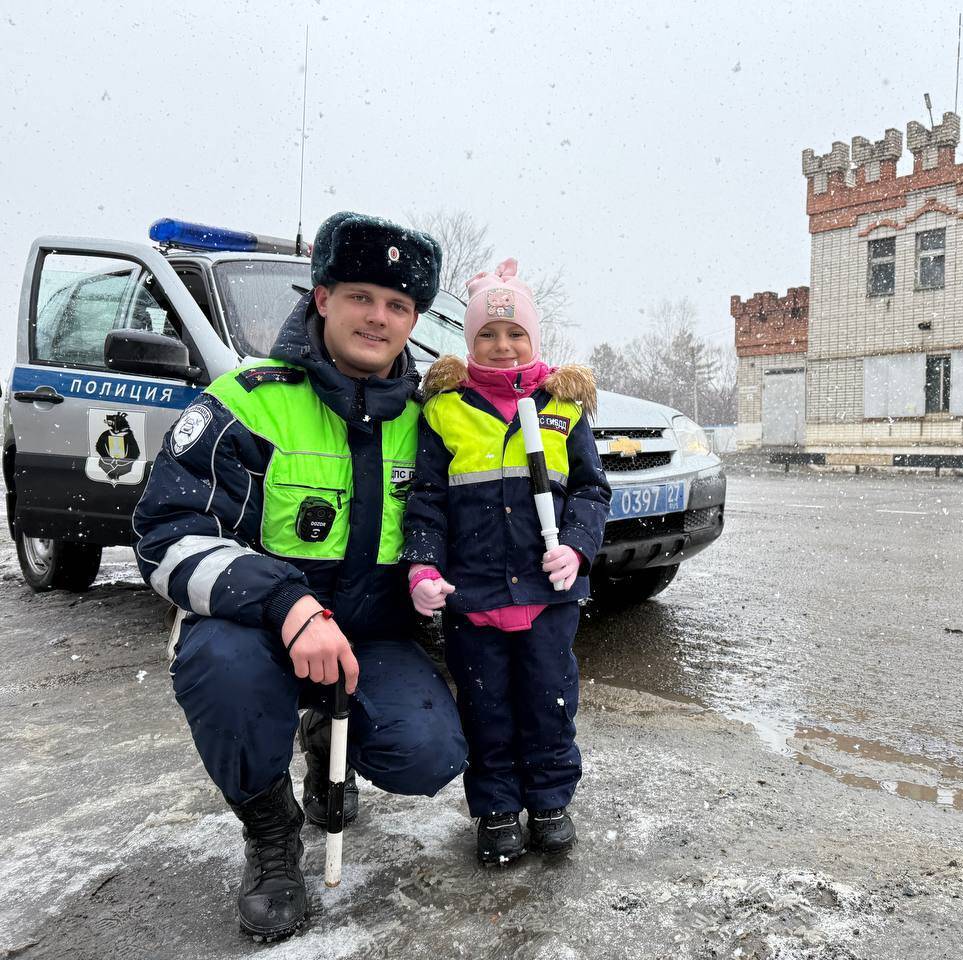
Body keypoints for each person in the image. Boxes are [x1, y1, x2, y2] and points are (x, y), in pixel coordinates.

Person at [133, 211, 468, 941]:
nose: (378, 318)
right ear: (321, 298)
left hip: (369, 639)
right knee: (222, 666)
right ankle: (270, 831)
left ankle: (326, 742)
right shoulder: (248, 400)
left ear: (415, 318)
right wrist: (289, 604)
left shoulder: (433, 422)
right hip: (259, 634)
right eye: (361, 297)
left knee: (430, 752)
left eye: (399, 304)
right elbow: (165, 536)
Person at [402, 258, 610, 865]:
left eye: (515, 333)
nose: (501, 346)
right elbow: (427, 502)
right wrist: (422, 567)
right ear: (468, 341)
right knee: (486, 709)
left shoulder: (564, 408)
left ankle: (549, 801)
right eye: (486, 335)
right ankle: (495, 810)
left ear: (534, 338)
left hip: (547, 599)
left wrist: (577, 546)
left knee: (549, 703)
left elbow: (592, 492)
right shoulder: (444, 411)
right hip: (476, 599)